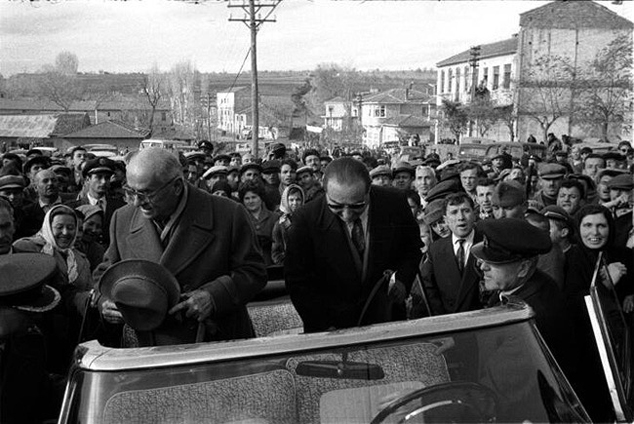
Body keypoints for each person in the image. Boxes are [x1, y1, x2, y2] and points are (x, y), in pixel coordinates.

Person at [94, 147, 267, 345]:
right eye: (131, 192)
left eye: (146, 193)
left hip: (216, 342)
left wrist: (214, 296)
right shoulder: (123, 218)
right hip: (151, 347)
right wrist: (104, 301)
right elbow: (105, 274)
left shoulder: (228, 214)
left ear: (177, 186)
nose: (136, 202)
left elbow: (254, 272)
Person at [285, 157, 422, 332]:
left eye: (357, 206)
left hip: (386, 318)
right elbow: (297, 280)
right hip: (330, 326)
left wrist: (402, 280)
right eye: (336, 206)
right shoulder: (306, 219)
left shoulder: (394, 203)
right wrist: (322, 324)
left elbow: (412, 249)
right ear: (325, 190)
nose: (347, 215)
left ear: (369, 189)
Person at [472, 218, 577, 414]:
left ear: (523, 268)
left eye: (493, 263)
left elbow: (491, 398)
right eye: (484, 260)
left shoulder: (528, 322)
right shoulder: (530, 285)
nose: (482, 267)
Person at [564, 204, 632, 422]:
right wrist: (604, 284)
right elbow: (574, 305)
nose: (595, 232)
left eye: (601, 225)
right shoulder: (572, 259)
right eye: (588, 225)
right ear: (578, 227)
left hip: (626, 348)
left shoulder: (624, 255)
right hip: (591, 353)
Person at [13, 204, 94, 373]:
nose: (65, 232)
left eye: (70, 227)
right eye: (59, 227)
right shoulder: (27, 248)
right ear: (48, 227)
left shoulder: (81, 260)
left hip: (69, 337)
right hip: (36, 333)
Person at [0, 253, 65, 423]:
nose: (33, 322)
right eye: (27, 315)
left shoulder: (28, 341)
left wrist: (81, 386)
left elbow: (36, 390)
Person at [421, 192, 483, 315]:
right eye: (454, 212)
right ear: (446, 219)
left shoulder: (487, 242)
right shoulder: (436, 250)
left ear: (474, 214)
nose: (461, 217)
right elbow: (429, 289)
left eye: (466, 211)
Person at [67, 158, 126, 246]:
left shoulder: (120, 207)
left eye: (107, 178)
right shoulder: (73, 207)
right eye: (98, 177)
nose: (103, 182)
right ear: (87, 179)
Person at [238, 180, 278, 266]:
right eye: (247, 198)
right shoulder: (240, 219)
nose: (251, 201)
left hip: (271, 264)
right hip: (249, 265)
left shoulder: (274, 218)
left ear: (261, 197)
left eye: (254, 197)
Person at [271, 184, 304, 265]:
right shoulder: (280, 224)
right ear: (286, 201)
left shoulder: (308, 220)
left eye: (298, 199)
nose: (295, 203)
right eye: (291, 200)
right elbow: (276, 252)